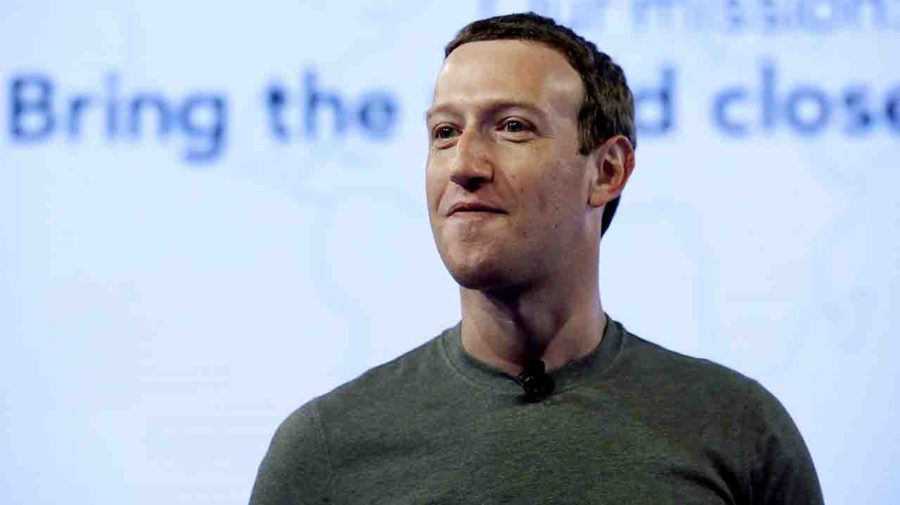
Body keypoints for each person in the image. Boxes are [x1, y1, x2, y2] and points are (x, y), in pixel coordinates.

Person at [250, 12, 823, 504]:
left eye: (512, 127)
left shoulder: (737, 430)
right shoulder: (325, 452)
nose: (463, 165)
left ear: (607, 171)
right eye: (445, 132)